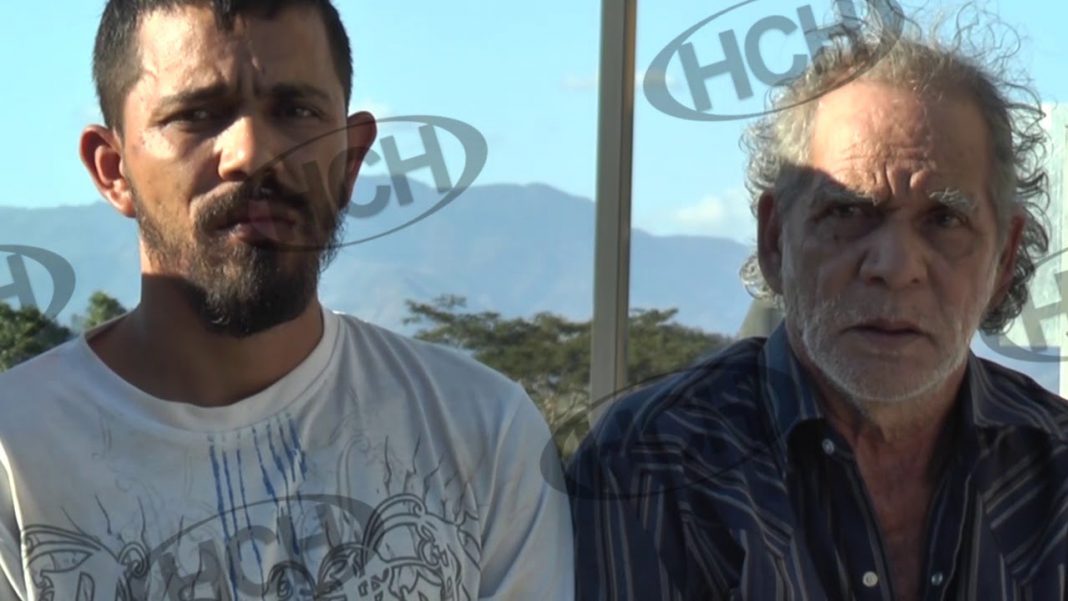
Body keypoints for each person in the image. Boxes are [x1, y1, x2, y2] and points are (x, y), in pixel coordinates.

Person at [0, 1, 573, 599]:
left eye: (296, 111)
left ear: (350, 160)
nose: (252, 154)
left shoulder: (480, 432)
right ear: (113, 169)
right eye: (196, 115)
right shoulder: (15, 455)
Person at [568, 12, 1067, 601]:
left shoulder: (1055, 474)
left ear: (1004, 258)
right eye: (849, 212)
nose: (894, 266)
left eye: (944, 219)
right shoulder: (654, 466)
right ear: (775, 239)